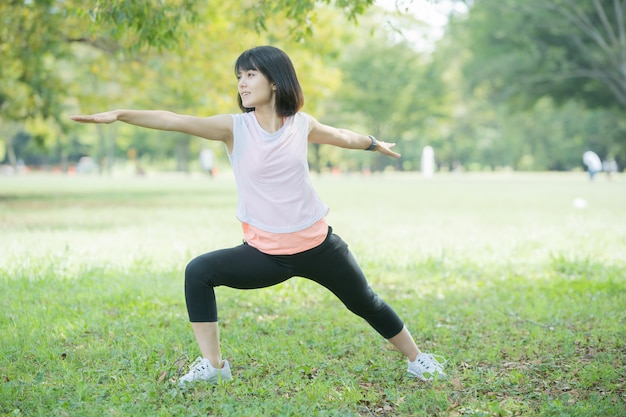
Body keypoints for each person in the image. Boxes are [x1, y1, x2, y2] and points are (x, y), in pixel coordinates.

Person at [71, 45, 446, 386]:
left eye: (250, 74)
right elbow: (174, 119)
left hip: (318, 245)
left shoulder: (301, 124)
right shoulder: (234, 129)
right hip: (265, 254)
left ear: (276, 80)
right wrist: (120, 114)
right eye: (239, 76)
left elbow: (341, 136)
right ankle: (214, 367)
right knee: (198, 272)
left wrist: (372, 143)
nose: (242, 83)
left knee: (366, 301)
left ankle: (418, 359)